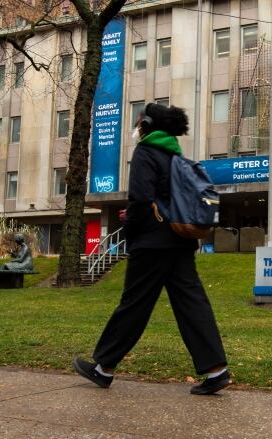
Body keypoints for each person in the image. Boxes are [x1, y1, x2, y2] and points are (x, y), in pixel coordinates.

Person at [74, 103, 230, 395]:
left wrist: (131, 233)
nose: (136, 126)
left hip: (152, 244)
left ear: (146, 124)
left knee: (135, 304)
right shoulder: (175, 156)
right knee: (192, 304)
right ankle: (216, 370)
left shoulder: (146, 152)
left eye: (138, 121)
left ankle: (103, 368)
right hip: (180, 241)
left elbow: (141, 199)